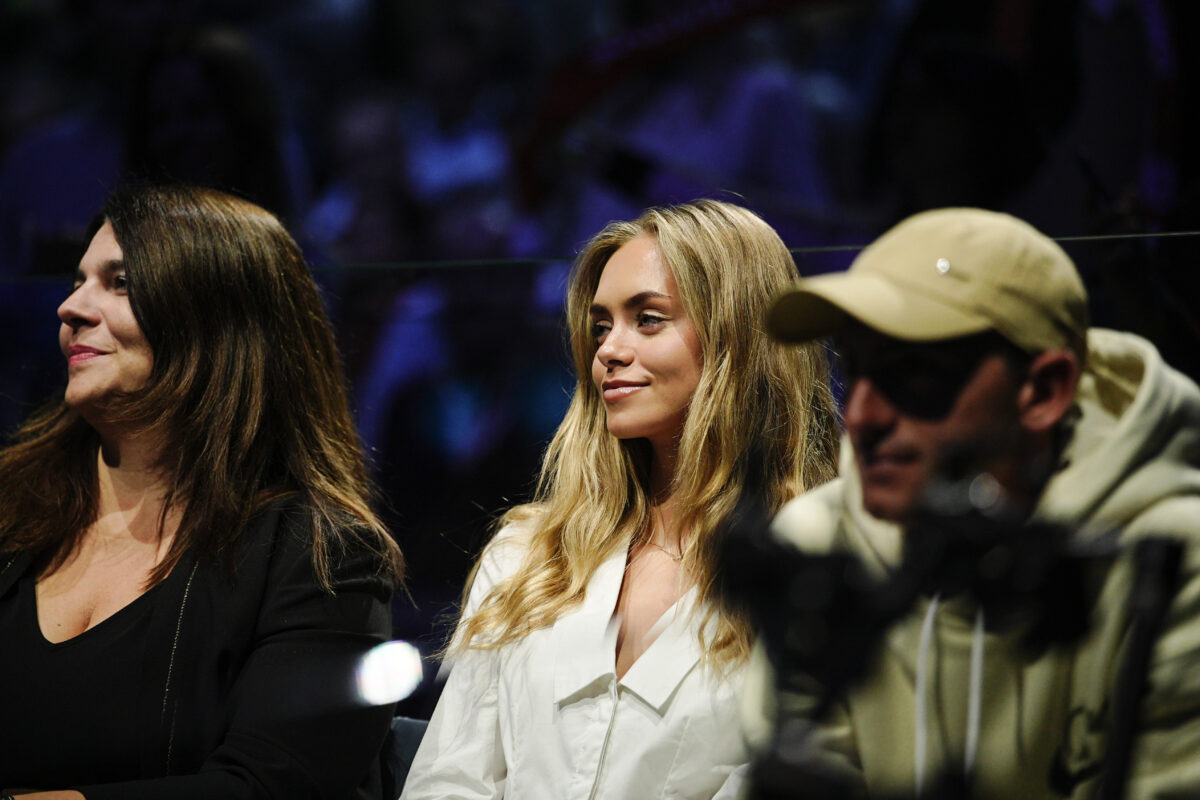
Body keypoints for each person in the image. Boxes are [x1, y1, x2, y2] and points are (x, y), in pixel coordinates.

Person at [746, 207, 1200, 798]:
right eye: (853, 370)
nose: (860, 416)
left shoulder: (1175, 560)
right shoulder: (818, 536)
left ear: (1043, 391)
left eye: (913, 374)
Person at [400, 199, 841, 799]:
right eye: (601, 326)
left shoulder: (814, 569)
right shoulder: (529, 557)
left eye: (648, 319)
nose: (607, 350)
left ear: (736, 335)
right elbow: (447, 779)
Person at [0, 185, 404, 799]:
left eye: (120, 283)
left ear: (218, 320)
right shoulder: (11, 506)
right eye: (78, 281)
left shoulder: (319, 554)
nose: (71, 306)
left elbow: (274, 785)